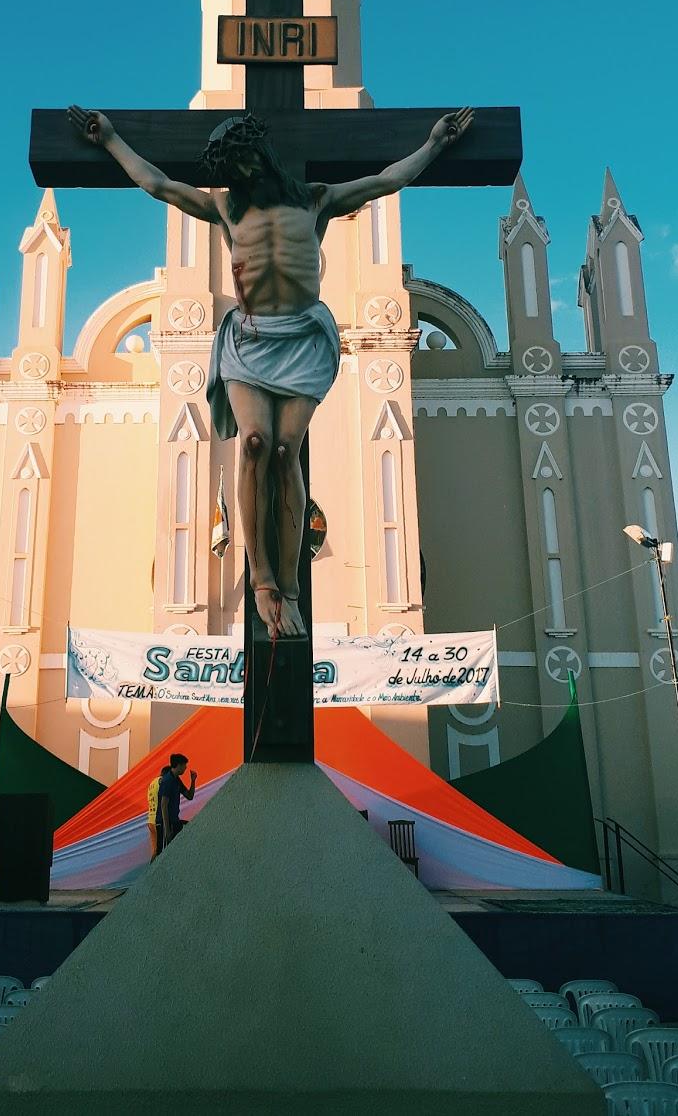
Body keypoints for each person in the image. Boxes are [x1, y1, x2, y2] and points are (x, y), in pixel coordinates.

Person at [68, 103, 474, 639]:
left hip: (303, 336)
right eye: (230, 170)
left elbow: (385, 181)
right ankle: (261, 577)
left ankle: (289, 585)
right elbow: (160, 186)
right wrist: (111, 139)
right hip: (250, 339)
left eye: (243, 164)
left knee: (286, 452)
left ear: (259, 155)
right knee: (255, 443)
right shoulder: (227, 210)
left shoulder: (315, 199)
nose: (239, 176)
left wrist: (436, 145)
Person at [155, 753, 198, 855]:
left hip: (174, 821)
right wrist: (167, 830)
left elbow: (189, 796)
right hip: (165, 823)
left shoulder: (176, 780)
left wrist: (193, 781)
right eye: (184, 765)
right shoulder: (167, 781)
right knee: (162, 854)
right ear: (178, 765)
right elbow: (163, 805)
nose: (186, 767)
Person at [147, 767, 167, 860]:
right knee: (163, 851)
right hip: (158, 821)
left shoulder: (152, 783)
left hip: (150, 821)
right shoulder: (162, 782)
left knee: (155, 852)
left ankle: (151, 872)